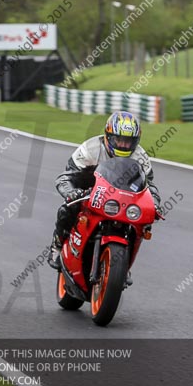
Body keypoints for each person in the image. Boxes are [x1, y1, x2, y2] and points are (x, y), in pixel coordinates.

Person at [47, 111, 161, 271]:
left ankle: (124, 264)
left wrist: (154, 204)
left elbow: (148, 186)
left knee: (142, 224)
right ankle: (57, 246)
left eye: (128, 142)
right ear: (108, 136)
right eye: (118, 140)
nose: (122, 145)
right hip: (90, 187)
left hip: (123, 196)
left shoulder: (141, 157)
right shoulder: (90, 149)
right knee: (67, 209)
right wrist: (71, 192)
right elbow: (67, 176)